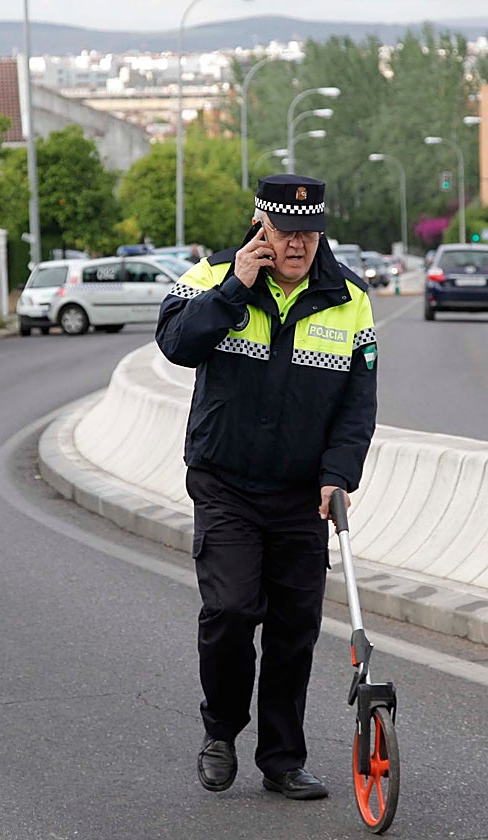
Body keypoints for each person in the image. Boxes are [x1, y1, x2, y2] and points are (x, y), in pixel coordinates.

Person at [156, 174, 378, 800]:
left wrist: (338, 475)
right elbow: (175, 344)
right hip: (225, 481)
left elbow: (358, 404)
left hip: (300, 492)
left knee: (293, 627)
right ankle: (221, 731)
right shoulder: (212, 276)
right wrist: (235, 288)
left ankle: (282, 759)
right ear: (261, 228)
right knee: (231, 610)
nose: (298, 245)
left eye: (310, 233)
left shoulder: (349, 299)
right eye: (286, 233)